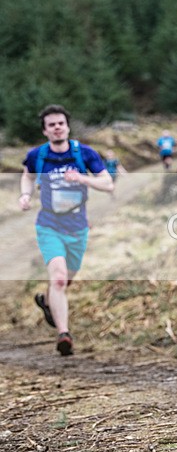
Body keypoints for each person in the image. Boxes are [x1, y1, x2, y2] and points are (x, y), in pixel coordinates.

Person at [19, 104, 114, 356]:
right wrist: (25, 195)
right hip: (49, 225)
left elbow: (108, 184)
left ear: (68, 127)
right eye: (51, 125)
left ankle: (47, 301)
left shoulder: (85, 154)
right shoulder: (37, 156)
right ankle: (64, 334)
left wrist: (82, 178)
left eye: (61, 123)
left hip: (78, 227)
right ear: (45, 131)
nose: (57, 128)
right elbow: (28, 176)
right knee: (59, 278)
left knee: (66, 280)